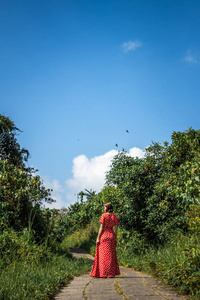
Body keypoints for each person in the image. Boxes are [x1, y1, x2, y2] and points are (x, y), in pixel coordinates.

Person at [90, 202, 120, 278]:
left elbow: (101, 228)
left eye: (104, 207)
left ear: (107, 208)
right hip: (112, 236)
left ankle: (103, 273)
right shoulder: (115, 216)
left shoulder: (104, 216)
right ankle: (111, 273)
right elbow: (116, 229)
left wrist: (98, 238)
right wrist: (115, 238)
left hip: (104, 236)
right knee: (111, 256)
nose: (103, 209)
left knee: (103, 256)